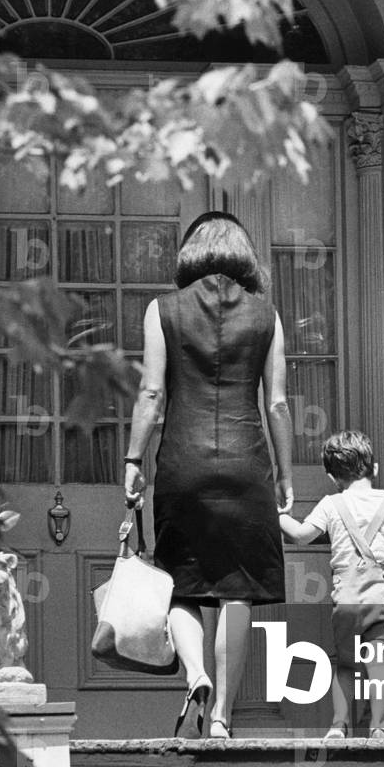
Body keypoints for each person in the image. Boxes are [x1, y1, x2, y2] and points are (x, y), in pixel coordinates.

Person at [124, 211, 294, 739]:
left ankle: (195, 675)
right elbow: (279, 404)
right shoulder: (267, 315)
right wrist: (287, 475)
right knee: (238, 590)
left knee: (180, 584)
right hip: (247, 465)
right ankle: (221, 714)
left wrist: (133, 460)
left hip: (182, 464)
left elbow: (151, 394)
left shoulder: (162, 310)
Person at [279, 430, 384, 739]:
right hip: (381, 597)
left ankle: (338, 725)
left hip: (346, 598)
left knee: (344, 663)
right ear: (375, 468)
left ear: (332, 477)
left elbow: (301, 535)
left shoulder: (331, 505)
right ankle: (379, 727)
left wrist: (274, 514)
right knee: (380, 662)